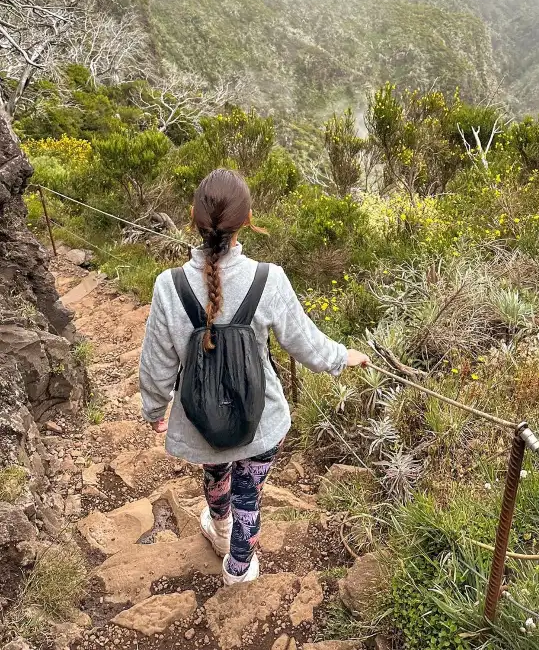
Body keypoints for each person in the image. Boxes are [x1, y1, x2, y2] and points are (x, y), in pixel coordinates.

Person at [139, 167, 370, 587]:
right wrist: (343, 358)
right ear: (247, 220)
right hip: (261, 419)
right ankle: (240, 569)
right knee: (250, 491)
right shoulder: (269, 279)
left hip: (201, 421)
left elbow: (157, 363)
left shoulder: (167, 286)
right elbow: (306, 344)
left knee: (216, 468)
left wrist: (155, 408)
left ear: (193, 217)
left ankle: (219, 528)